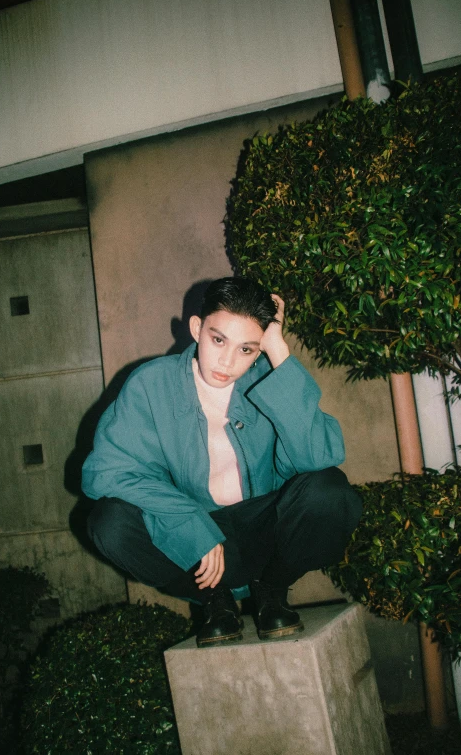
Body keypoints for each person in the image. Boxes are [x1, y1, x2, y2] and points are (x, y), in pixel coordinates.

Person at [82, 277, 362, 647]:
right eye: (218, 340)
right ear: (197, 328)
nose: (228, 362)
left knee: (330, 490)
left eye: (247, 349)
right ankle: (214, 601)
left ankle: (272, 591)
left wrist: (278, 352)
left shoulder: (272, 379)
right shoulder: (152, 384)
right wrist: (187, 519)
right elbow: (104, 472)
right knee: (110, 523)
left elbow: (320, 457)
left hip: (266, 529)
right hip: (192, 539)